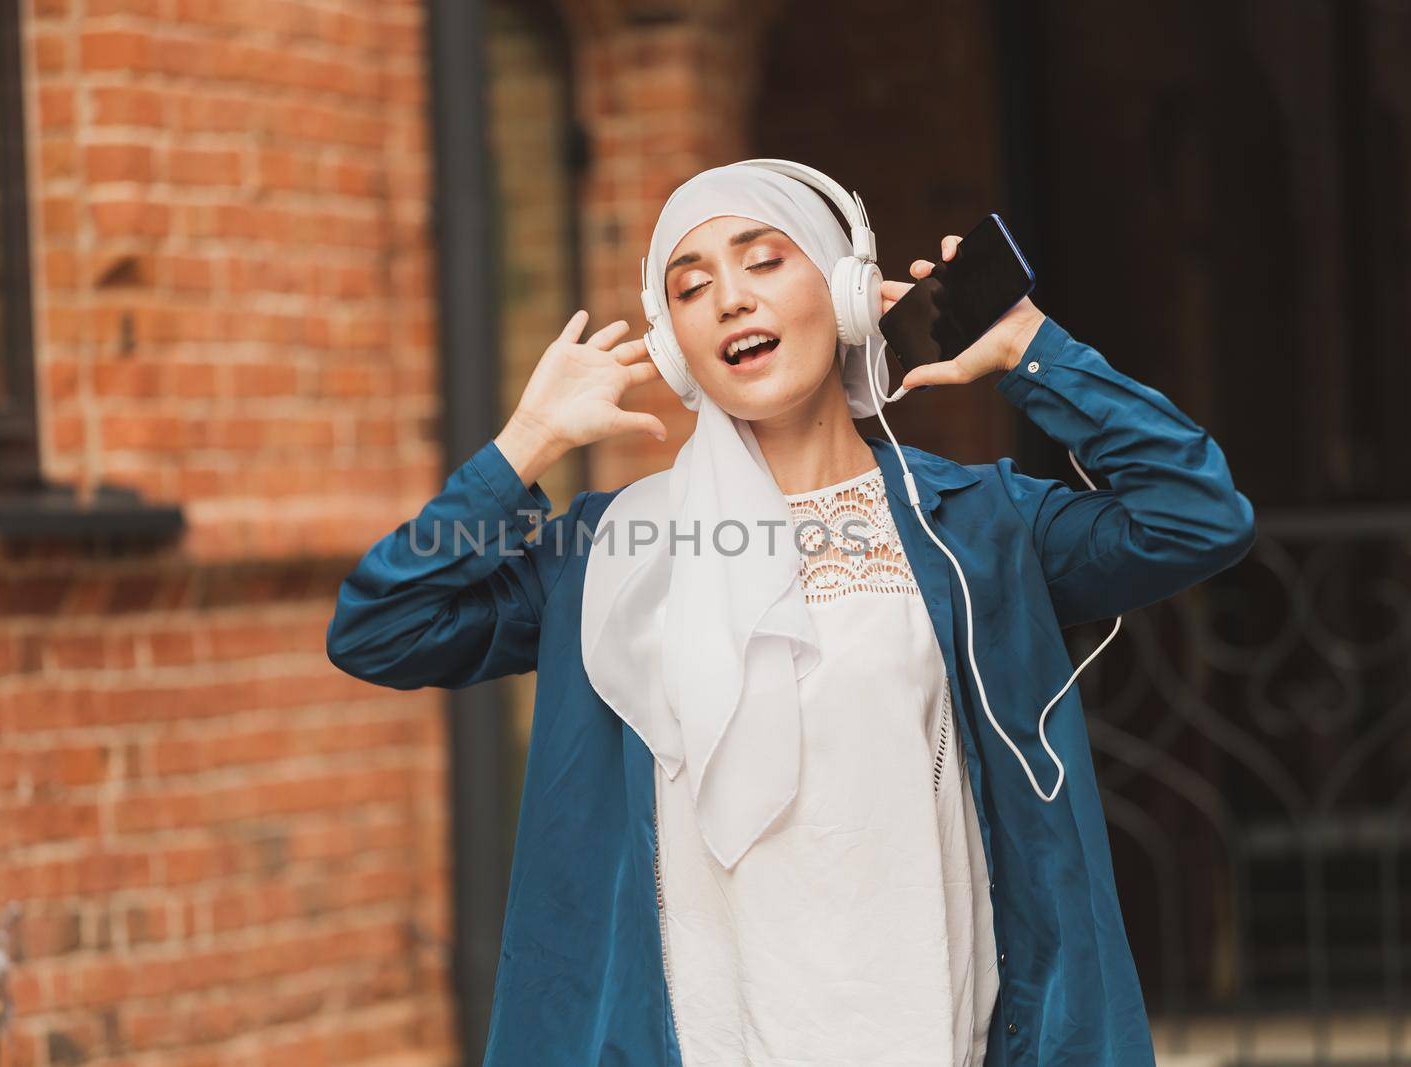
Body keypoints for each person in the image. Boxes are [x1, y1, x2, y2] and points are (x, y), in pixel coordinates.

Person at [326, 161, 1255, 1067]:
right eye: (692, 288)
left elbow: (1196, 517)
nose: (731, 298)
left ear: (847, 292)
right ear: (675, 346)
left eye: (764, 260)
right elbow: (383, 624)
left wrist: (1030, 351)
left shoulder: (976, 526)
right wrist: (523, 445)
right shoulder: (610, 551)